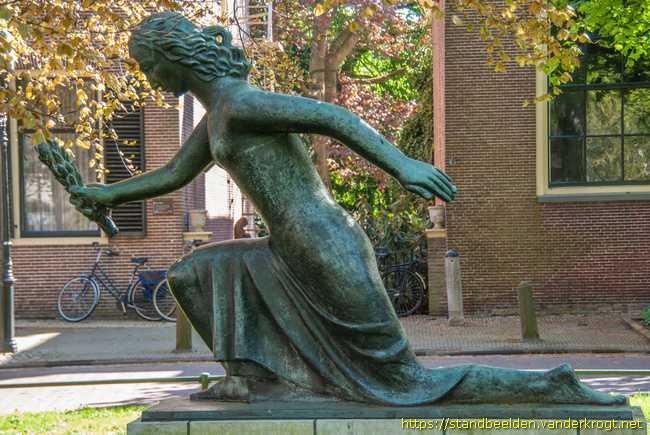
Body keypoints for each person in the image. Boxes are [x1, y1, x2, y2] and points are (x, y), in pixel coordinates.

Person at [70, 12, 623, 406]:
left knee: (404, 383)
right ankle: (249, 378)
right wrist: (105, 195)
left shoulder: (241, 104)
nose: (150, 78)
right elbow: (174, 174)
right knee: (194, 272)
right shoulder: (217, 116)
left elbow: (333, 117)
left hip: (323, 244)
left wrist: (402, 164)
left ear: (172, 58)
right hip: (286, 248)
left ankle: (550, 384)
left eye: (149, 66)